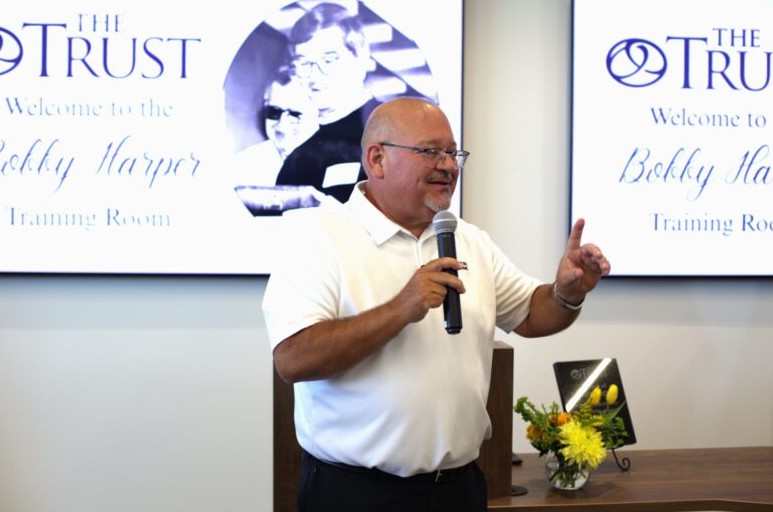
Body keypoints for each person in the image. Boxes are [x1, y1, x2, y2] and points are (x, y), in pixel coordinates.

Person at [262, 97, 611, 512]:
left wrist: (567, 292)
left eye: (453, 153)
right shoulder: (318, 239)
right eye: (430, 152)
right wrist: (401, 308)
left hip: (458, 490)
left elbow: (532, 315)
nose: (448, 166)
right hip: (356, 493)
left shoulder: (469, 239)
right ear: (377, 159)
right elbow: (293, 359)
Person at [273, 2, 382, 203]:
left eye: (329, 60)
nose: (314, 75)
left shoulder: (399, 134)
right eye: (303, 63)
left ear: (361, 56)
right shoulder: (297, 161)